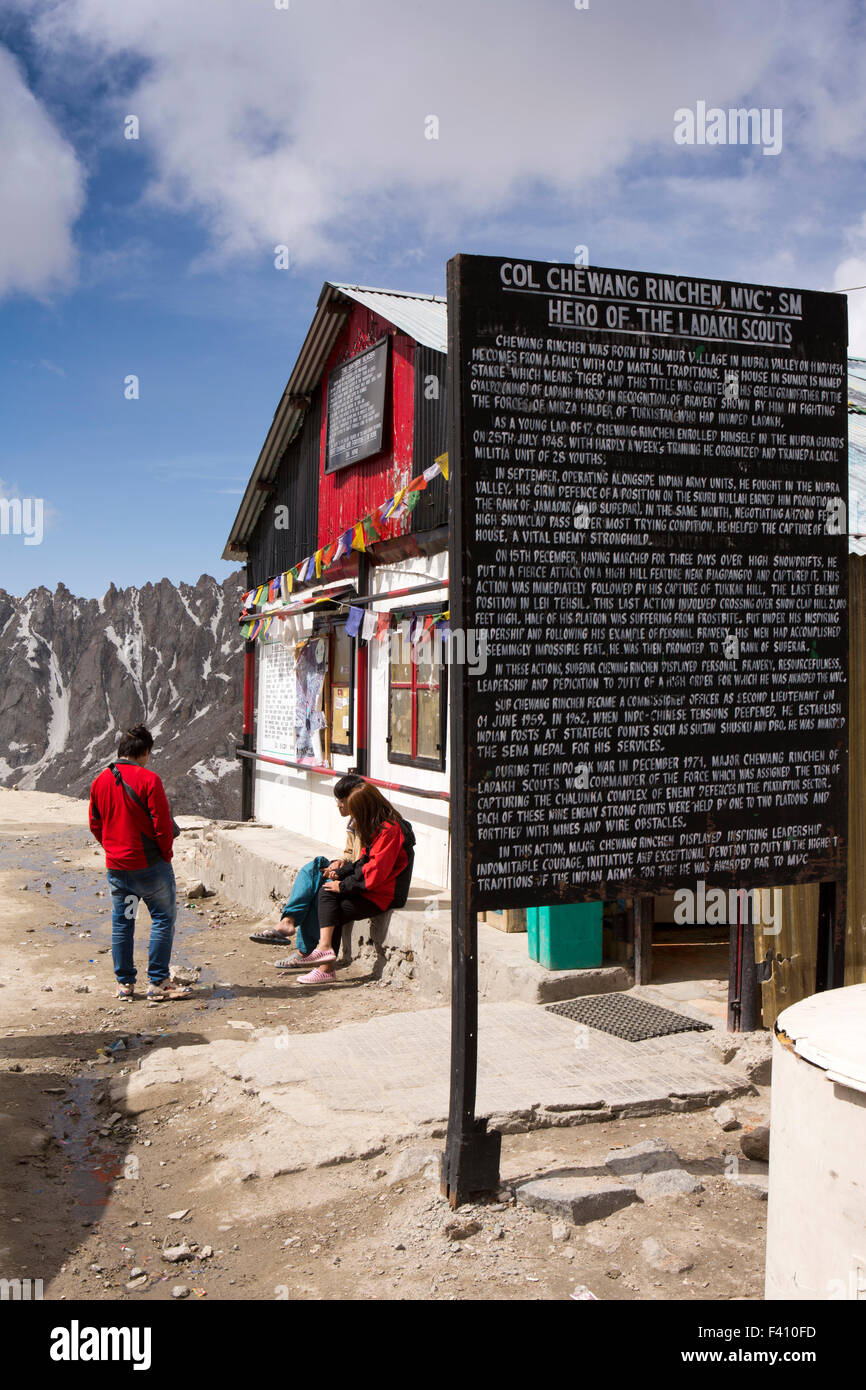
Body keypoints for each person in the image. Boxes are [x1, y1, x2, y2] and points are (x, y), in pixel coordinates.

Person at [88, 725, 191, 1003]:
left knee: (124, 922)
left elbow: (95, 824)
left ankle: (125, 984)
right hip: (150, 868)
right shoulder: (149, 780)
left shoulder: (100, 781)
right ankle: (158, 982)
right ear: (144, 752)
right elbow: (161, 825)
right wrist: (166, 855)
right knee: (161, 918)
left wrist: (112, 849)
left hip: (119, 871)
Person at [296, 783, 415, 986]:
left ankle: (325, 963)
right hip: (375, 888)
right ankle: (325, 956)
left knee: (333, 903)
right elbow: (363, 862)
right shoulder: (378, 827)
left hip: (386, 893)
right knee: (327, 893)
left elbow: (376, 872)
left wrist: (343, 886)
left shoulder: (391, 830)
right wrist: (340, 874)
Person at [248, 774, 364, 966]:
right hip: (349, 871)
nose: (339, 805)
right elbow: (349, 853)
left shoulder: (371, 824)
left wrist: (342, 872)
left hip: (359, 879)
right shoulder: (353, 822)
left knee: (319, 889)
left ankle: (302, 948)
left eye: (342, 801)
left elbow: (364, 862)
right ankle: (289, 922)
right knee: (315, 867)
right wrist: (339, 863)